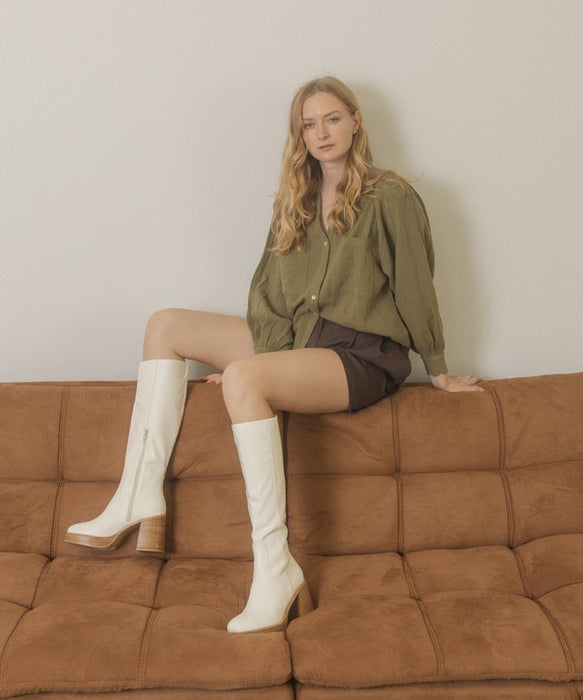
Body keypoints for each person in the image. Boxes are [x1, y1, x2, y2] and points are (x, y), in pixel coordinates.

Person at [65, 76, 483, 634]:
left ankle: (275, 569)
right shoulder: (296, 199)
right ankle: (138, 497)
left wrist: (438, 368)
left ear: (355, 121)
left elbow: (415, 284)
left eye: (332, 119)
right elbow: (267, 292)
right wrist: (265, 361)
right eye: (309, 125)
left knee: (243, 379)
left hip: (362, 353)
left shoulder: (391, 196)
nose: (322, 133)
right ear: (299, 135)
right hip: (302, 340)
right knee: (165, 325)